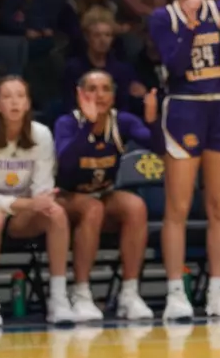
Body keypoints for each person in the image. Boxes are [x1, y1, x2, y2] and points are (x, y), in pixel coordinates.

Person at [145, 0, 220, 321]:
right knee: (178, 207)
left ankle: (218, 292)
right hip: (184, 106)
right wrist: (189, 30)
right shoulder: (161, 17)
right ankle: (175, 293)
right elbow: (175, 65)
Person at [0, 76, 72, 325]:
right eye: (7, 97)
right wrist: (29, 204)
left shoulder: (41, 135)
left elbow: (43, 190)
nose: (15, 102)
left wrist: (33, 205)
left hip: (20, 214)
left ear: (29, 103)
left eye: (20, 96)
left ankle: (59, 298)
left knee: (57, 213)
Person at [53, 70, 158, 322]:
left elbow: (158, 147)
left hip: (102, 194)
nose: (98, 94)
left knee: (135, 206)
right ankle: (81, 293)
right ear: (79, 94)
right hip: (65, 198)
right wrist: (87, 126)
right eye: (91, 88)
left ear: (113, 95)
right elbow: (66, 163)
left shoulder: (123, 121)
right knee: (92, 208)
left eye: (105, 89)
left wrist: (153, 120)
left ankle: (129, 294)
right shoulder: (67, 123)